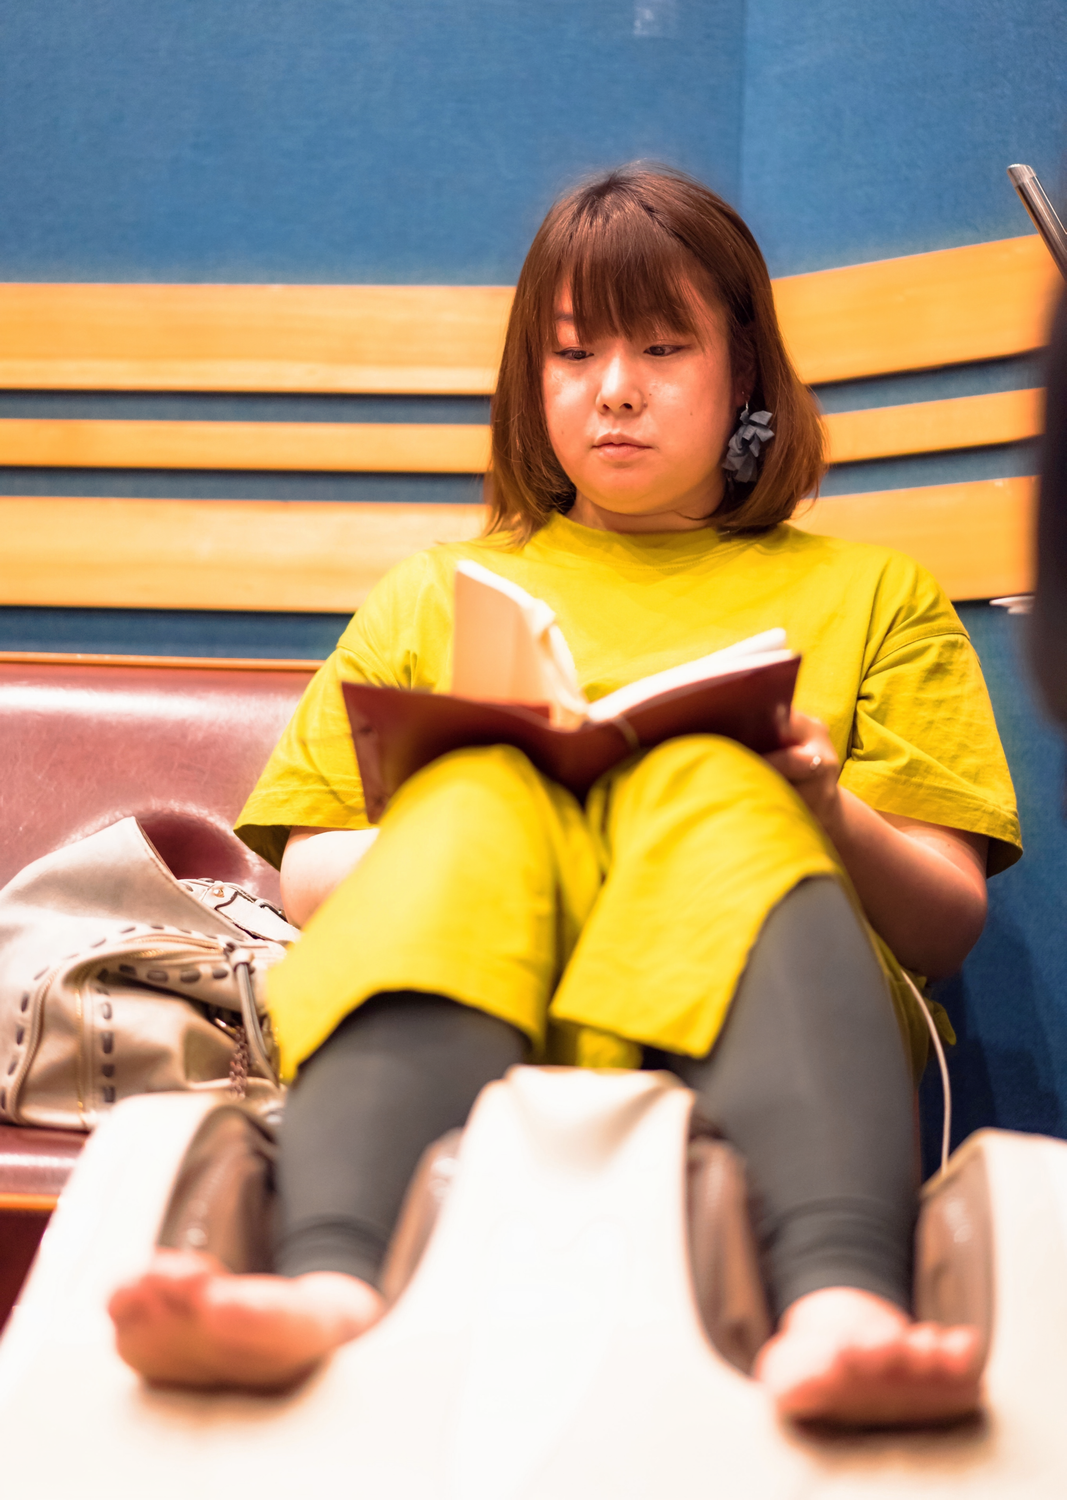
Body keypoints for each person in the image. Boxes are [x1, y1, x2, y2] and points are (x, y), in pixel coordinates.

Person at [109, 165, 1020, 1425]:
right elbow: (310, 876)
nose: (615, 390)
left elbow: (944, 920)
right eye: (574, 352)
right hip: (482, 981)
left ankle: (839, 1301)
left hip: (747, 1004)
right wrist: (504, 791)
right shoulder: (433, 595)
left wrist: (819, 808)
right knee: (481, 787)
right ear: (530, 381)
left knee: (714, 773)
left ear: (743, 371)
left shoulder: (878, 596)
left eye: (663, 347)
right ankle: (329, 1277)